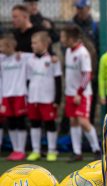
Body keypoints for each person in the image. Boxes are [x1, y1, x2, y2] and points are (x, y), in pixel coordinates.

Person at [60, 25, 101, 162]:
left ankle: (96, 149)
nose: (61, 39)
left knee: (83, 121)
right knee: (73, 121)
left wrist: (79, 93)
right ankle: (77, 152)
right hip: (70, 93)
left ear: (71, 38)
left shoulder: (83, 53)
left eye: (63, 37)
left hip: (82, 94)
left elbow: (86, 75)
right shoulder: (68, 51)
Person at [26, 32, 62, 162]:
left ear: (45, 44)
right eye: (32, 43)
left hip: (48, 98)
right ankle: (36, 150)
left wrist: (57, 99)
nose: (32, 45)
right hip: (33, 98)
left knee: (49, 124)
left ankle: (52, 150)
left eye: (35, 43)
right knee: (34, 124)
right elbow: (28, 80)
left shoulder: (53, 60)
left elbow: (58, 80)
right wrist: (28, 96)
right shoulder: (30, 60)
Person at [0, 34, 30, 161]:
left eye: (2, 46)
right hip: (6, 95)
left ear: (10, 46)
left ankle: (21, 150)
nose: (0, 48)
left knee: (20, 122)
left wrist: (54, 57)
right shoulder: (1, 59)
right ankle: (15, 149)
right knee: (10, 122)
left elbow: (39, 56)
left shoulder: (22, 57)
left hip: (19, 94)